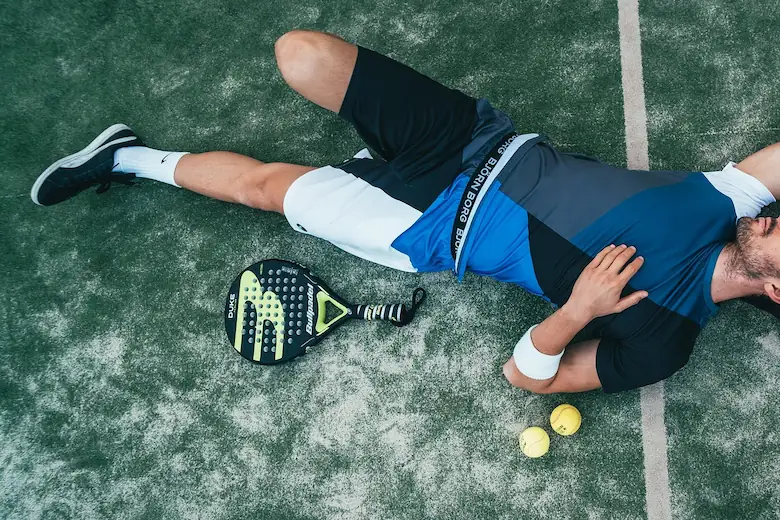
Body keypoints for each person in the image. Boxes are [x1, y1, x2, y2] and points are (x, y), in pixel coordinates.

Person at [30, 30, 780, 394]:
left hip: (419, 228)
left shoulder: (666, 340)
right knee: (301, 54)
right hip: (471, 138)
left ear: (775, 289)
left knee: (261, 188)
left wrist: (577, 310)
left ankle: (123, 158)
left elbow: (528, 379)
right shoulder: (736, 201)